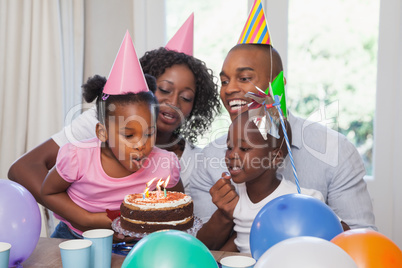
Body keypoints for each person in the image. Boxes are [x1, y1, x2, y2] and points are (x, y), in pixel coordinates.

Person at [191, 43, 375, 250]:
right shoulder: (209, 157)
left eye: (244, 78)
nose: (230, 88)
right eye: (224, 81)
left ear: (276, 84)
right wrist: (225, 215)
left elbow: (360, 241)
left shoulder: (335, 149)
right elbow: (202, 251)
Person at [8, 47, 220, 205]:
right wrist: (84, 218)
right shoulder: (99, 124)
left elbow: (179, 211)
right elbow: (22, 169)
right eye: (164, 90)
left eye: (186, 97)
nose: (173, 103)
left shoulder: (182, 160)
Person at [202, 110, 326, 253]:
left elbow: (340, 232)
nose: (232, 155)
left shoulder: (302, 198)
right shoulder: (234, 197)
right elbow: (241, 241)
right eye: (229, 147)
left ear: (275, 158)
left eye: (244, 148)